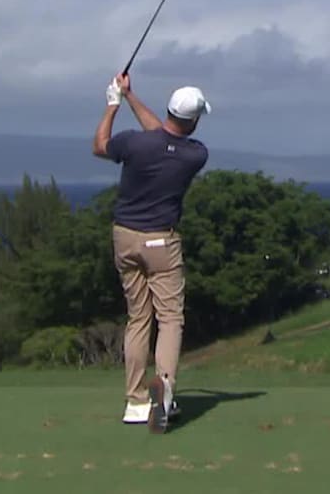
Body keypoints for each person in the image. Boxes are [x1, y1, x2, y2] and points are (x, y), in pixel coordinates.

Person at [92, 72, 211, 433]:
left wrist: (114, 103)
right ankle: (166, 390)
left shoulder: (135, 145)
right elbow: (164, 135)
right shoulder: (195, 154)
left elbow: (101, 145)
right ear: (192, 120)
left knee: (138, 318)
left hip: (125, 238)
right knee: (170, 319)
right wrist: (128, 97)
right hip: (162, 242)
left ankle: (135, 400)